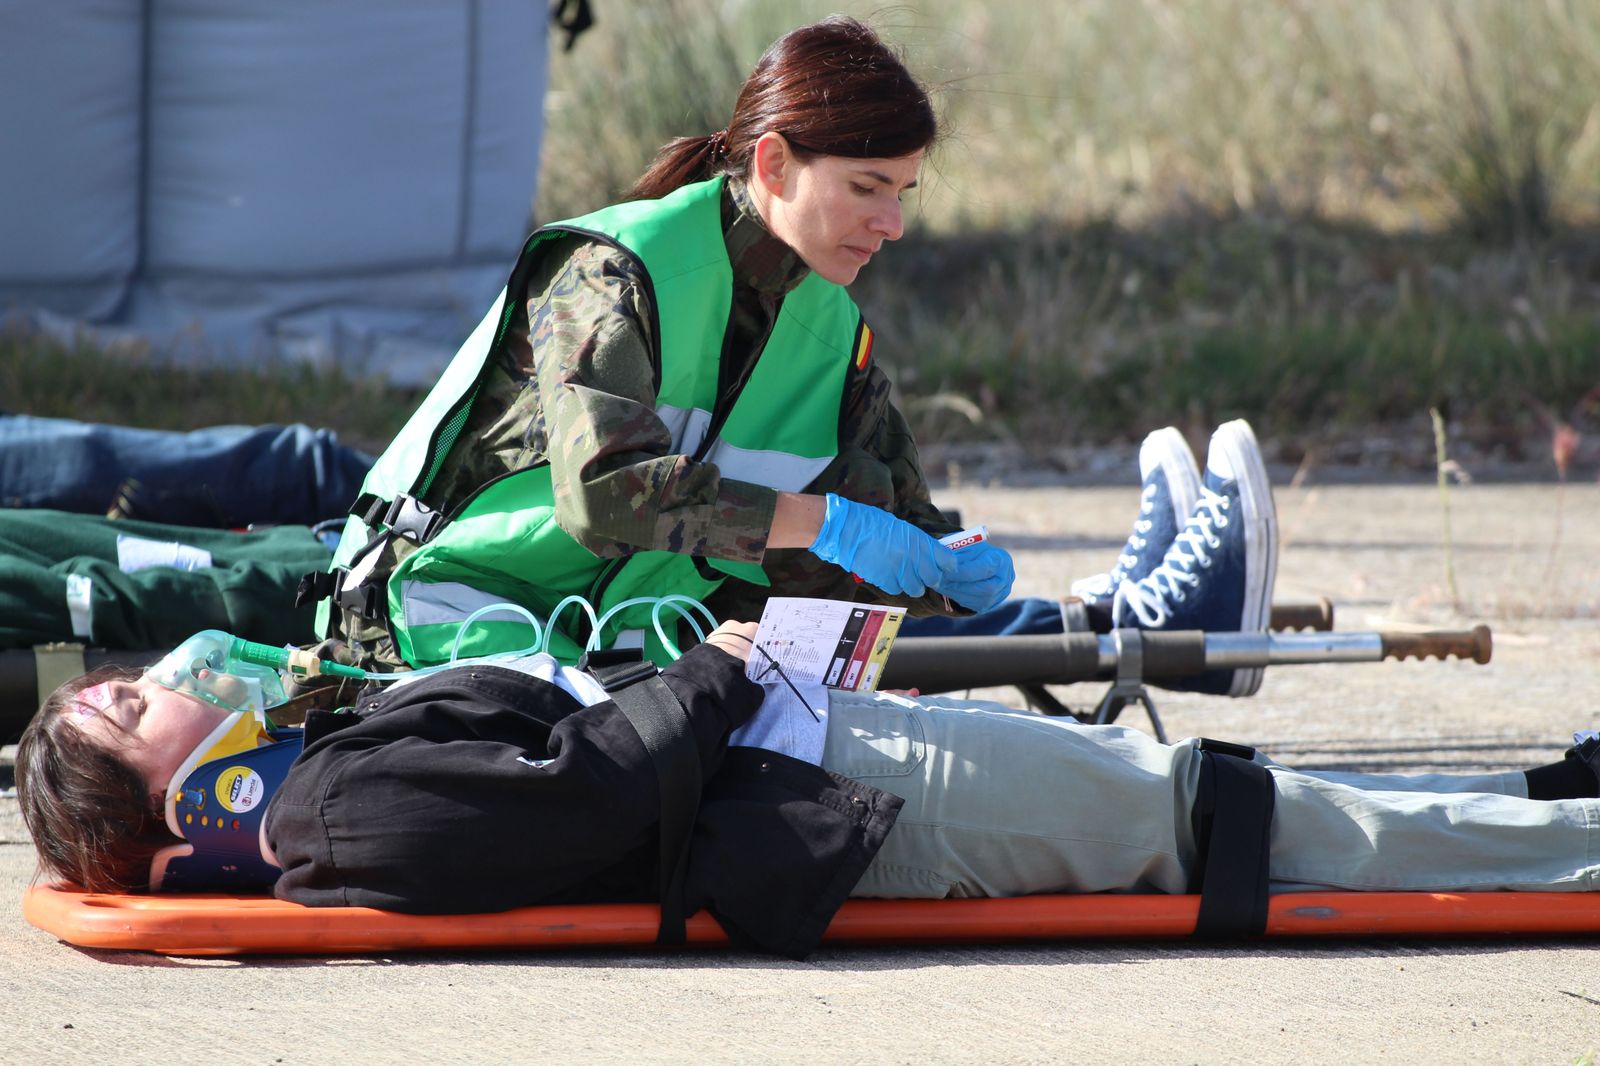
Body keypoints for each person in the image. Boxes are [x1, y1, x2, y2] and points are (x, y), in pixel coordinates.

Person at [303, 16, 1267, 695]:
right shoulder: (611, 272)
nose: (891, 224)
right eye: (866, 187)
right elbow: (605, 496)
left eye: (905, 192)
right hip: (427, 631)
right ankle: (1132, 623)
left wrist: (938, 571)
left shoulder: (830, 330)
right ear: (773, 164)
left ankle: (1118, 617)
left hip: (606, 648)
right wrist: (827, 524)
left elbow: (882, 520)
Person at [16, 623, 1600, 959]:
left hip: (824, 756)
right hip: (858, 790)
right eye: (132, 700)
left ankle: (1557, 808)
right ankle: (1573, 845)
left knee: (1198, 787)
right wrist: (711, 662)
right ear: (184, 805)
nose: (170, 672)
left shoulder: (319, 770)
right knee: (1212, 815)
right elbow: (583, 792)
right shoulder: (333, 818)